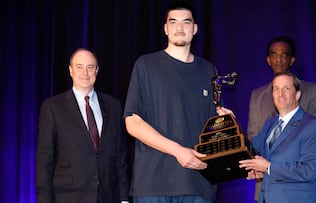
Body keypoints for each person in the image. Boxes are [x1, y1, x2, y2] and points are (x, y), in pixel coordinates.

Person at [123, 2, 232, 203]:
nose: (179, 28)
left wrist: (227, 124)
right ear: (165, 28)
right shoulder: (146, 65)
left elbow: (214, 127)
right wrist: (178, 151)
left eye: (186, 22)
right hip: (153, 184)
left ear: (195, 28)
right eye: (173, 22)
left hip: (199, 183)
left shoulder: (209, 71)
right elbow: (133, 123)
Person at [36, 48, 129, 203]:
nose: (85, 73)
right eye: (79, 67)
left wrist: (124, 198)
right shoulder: (53, 107)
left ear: (97, 71)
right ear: (70, 70)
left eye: (90, 67)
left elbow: (120, 156)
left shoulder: (113, 106)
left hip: (108, 197)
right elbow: (45, 160)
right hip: (67, 197)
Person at [247, 36, 316, 201]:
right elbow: (251, 147)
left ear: (297, 94)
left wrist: (268, 167)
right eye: (276, 89)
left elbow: (308, 169)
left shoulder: (312, 124)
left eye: (286, 89)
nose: (280, 94)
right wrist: (228, 122)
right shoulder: (270, 124)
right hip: (267, 193)